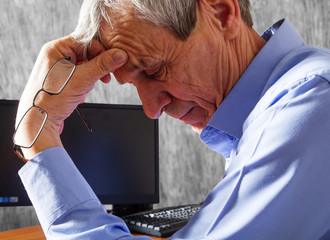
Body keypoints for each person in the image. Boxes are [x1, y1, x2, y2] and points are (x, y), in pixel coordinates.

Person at [14, 0, 330, 239]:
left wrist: (38, 133)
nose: (152, 110)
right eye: (136, 83)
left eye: (154, 70)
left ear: (221, 13)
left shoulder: (309, 102)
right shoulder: (281, 102)